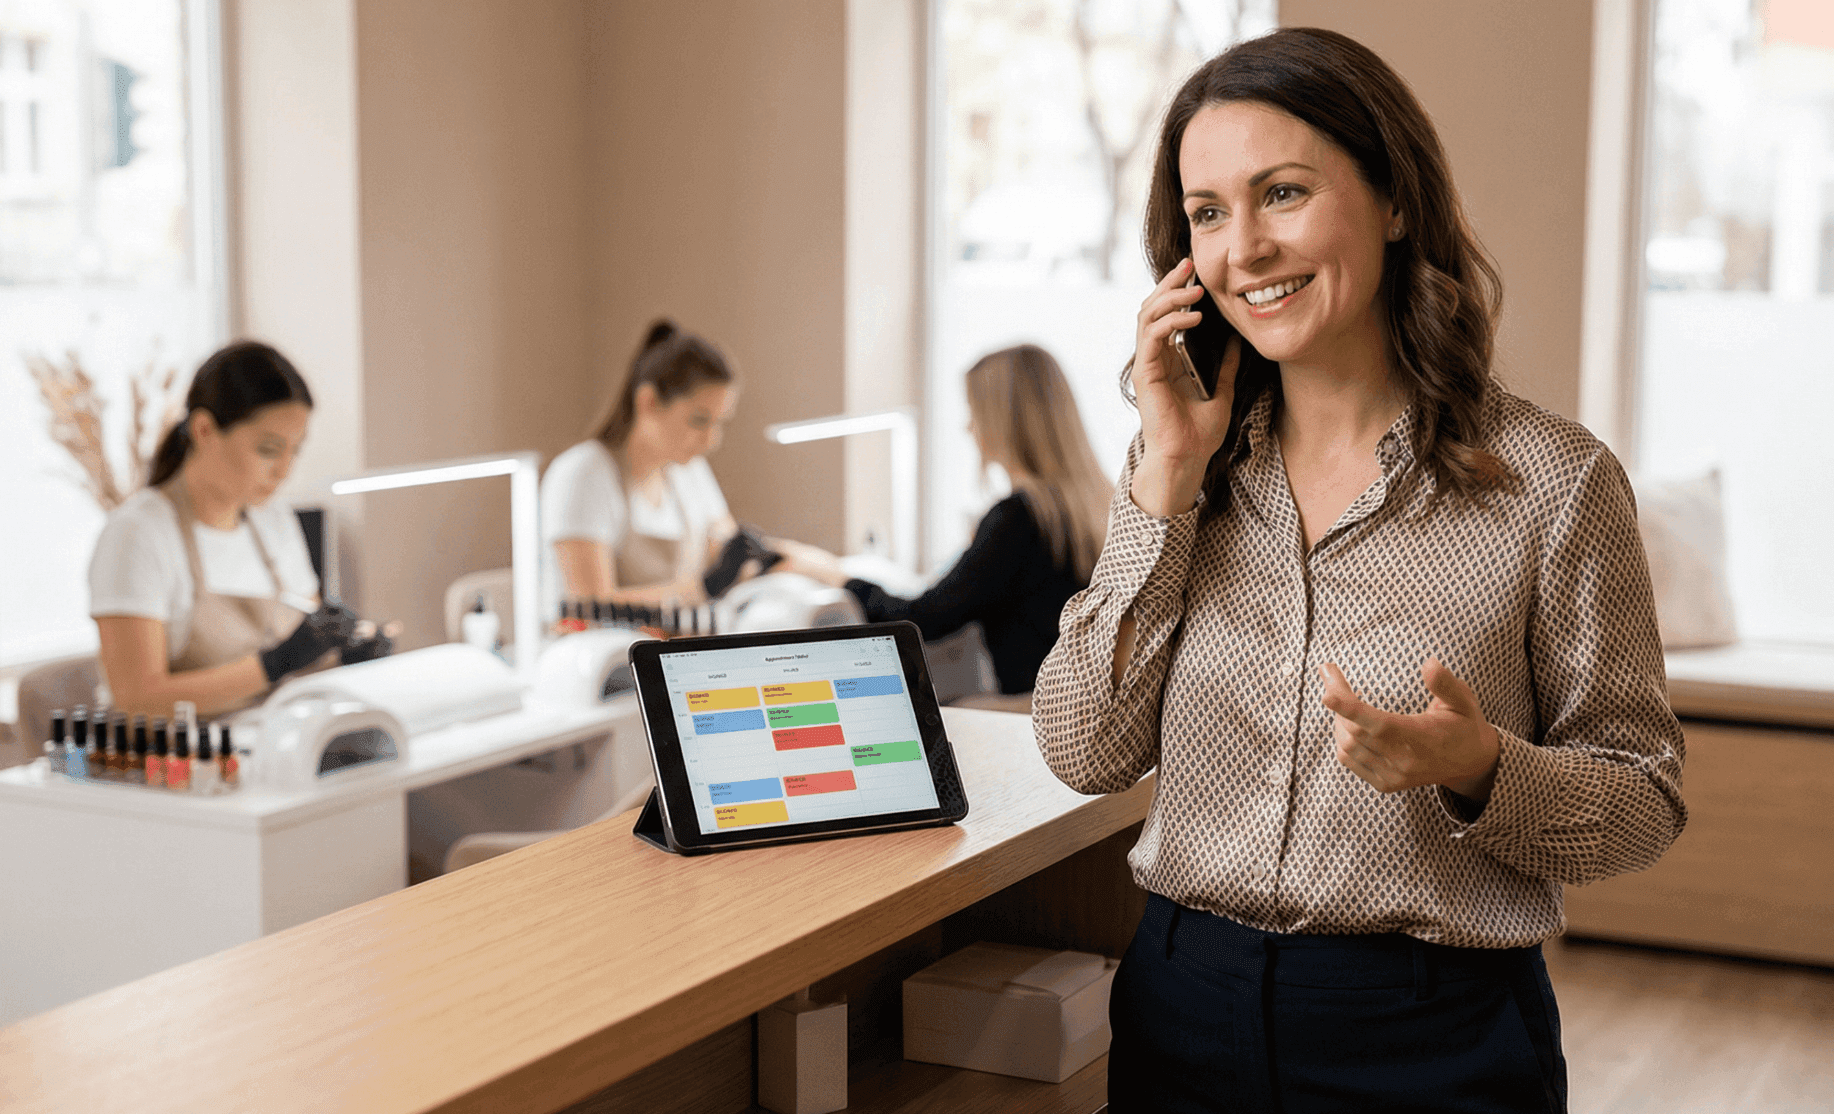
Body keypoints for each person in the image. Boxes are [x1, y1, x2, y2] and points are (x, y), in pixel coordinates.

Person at [1032, 28, 1685, 1113]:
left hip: (1433, 1036)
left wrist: (1481, 765)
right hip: (1177, 1006)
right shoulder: (1176, 467)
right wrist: (1167, 488)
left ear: (1391, 199)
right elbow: (1082, 749)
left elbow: (1642, 802)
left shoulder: (1550, 482)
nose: (1243, 249)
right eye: (1206, 213)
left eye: (1281, 193)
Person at [776, 345, 1112, 708]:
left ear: (1002, 421)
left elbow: (921, 620)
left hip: (1041, 708)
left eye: (975, 413)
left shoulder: (1019, 518)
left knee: (939, 714)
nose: (969, 427)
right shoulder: (1093, 507)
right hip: (1085, 703)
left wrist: (835, 574)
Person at [90, 341, 389, 719]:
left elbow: (304, 647)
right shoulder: (137, 534)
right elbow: (137, 697)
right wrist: (271, 666)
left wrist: (345, 652)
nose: (283, 470)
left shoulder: (274, 522)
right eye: (268, 449)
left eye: (294, 450)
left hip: (271, 747)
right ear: (204, 430)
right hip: (174, 766)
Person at [541, 320, 742, 617]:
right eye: (699, 420)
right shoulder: (583, 473)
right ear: (648, 402)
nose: (710, 440)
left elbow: (731, 555)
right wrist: (703, 589)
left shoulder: (690, 471)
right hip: (605, 656)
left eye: (719, 423)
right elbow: (590, 608)